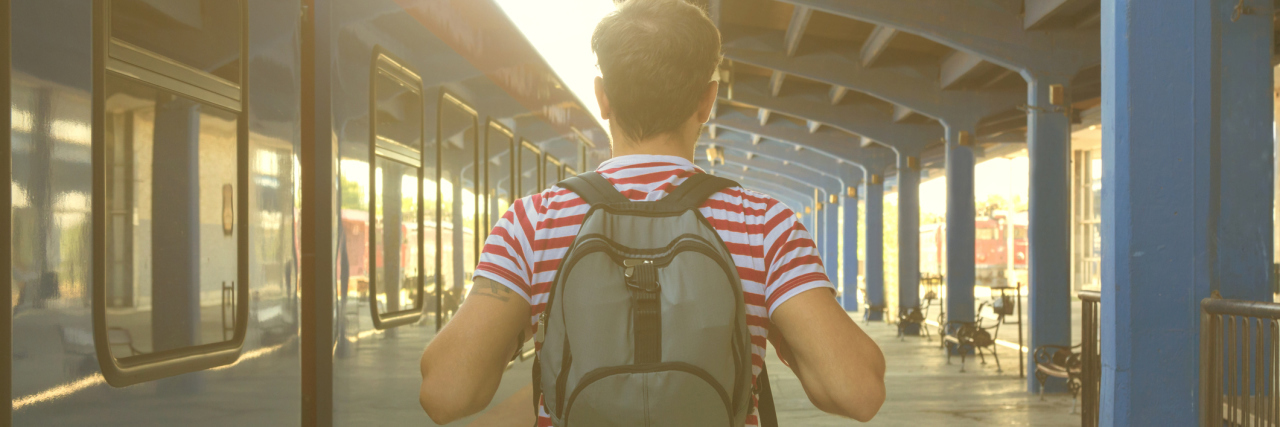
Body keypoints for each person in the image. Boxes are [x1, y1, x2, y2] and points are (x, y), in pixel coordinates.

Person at [418, 0, 886, 425]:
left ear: (602, 97)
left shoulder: (532, 223)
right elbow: (858, 392)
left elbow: (445, 393)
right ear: (707, 100)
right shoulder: (764, 225)